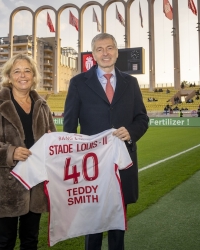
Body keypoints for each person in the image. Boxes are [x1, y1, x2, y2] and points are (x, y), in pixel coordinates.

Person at [63, 33, 149, 250]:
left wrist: (130, 131)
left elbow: (142, 118)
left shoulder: (131, 83)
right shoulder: (78, 83)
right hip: (91, 165)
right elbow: (69, 127)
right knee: (93, 225)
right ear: (93, 54)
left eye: (109, 48)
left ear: (117, 52)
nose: (105, 53)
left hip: (122, 163)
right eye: (99, 49)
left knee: (118, 224)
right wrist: (74, 162)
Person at [0, 53, 56, 250]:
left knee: (30, 240)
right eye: (17, 71)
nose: (22, 75)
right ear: (9, 76)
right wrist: (10, 152)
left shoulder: (42, 106)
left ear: (34, 76)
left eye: (27, 71)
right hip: (5, 185)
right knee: (5, 242)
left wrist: (52, 141)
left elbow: (52, 140)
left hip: (35, 183)